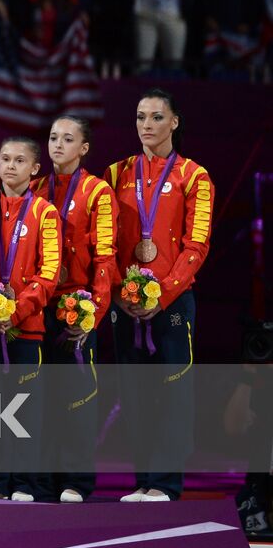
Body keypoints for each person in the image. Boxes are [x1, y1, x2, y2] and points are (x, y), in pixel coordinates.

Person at [106, 90, 213, 503]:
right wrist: (119, 292)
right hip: (126, 302)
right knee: (134, 395)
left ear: (174, 123)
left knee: (172, 395)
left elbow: (196, 245)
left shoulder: (194, 176)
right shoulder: (115, 175)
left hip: (171, 303)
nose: (146, 124)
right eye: (139, 117)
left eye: (156, 117)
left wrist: (161, 295)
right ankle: (144, 480)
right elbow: (106, 243)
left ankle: (166, 484)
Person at [0, 136, 60, 502]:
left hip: (26, 328)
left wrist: (15, 310)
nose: (10, 166)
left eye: (20, 160)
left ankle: (24, 483)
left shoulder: (45, 213)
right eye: (5, 158)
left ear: (35, 168)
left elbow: (49, 271)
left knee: (24, 410)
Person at [33, 114, 116, 504]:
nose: (57, 145)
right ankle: (43, 479)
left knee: (77, 398)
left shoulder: (98, 192)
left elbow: (105, 257)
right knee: (42, 395)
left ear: (84, 148)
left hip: (75, 306)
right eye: (53, 138)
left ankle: (76, 481)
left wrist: (93, 310)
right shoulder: (34, 189)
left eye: (68, 139)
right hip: (38, 306)